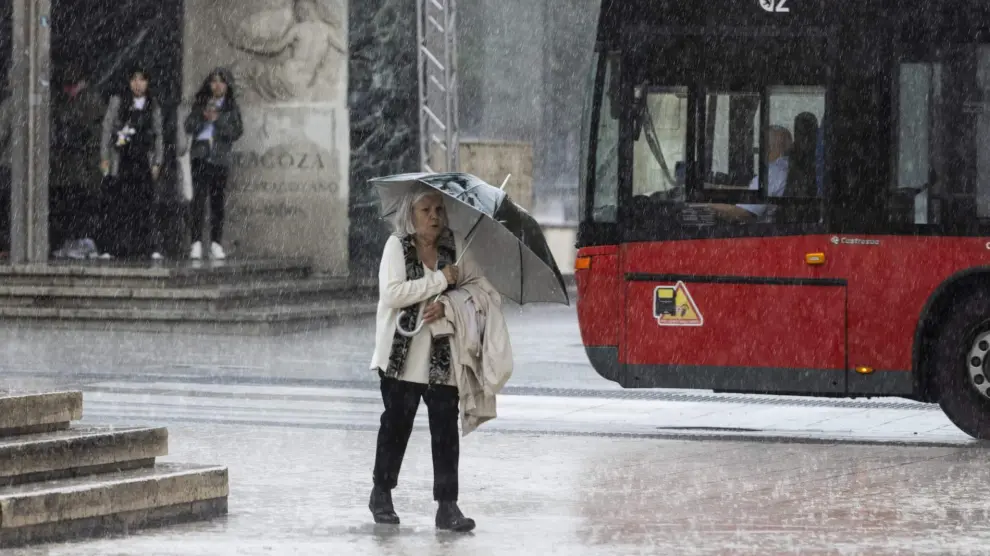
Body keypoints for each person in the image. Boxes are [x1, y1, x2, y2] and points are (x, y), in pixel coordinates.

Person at [368, 187, 481, 533]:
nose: (434, 216)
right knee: (396, 426)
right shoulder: (396, 247)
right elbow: (392, 293)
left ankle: (447, 506)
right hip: (401, 357)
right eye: (425, 210)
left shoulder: (456, 248)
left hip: (442, 357)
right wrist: (438, 281)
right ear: (410, 215)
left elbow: (473, 291)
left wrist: (447, 304)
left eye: (438, 210)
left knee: (445, 430)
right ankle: (381, 492)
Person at [99, 66, 164, 260]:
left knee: (144, 205)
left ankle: (146, 246)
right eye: (134, 79)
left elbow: (158, 134)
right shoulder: (118, 102)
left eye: (142, 79)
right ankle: (114, 246)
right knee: (119, 205)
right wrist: (105, 158)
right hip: (122, 159)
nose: (138, 84)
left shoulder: (153, 104)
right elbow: (107, 130)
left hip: (143, 159)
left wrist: (157, 162)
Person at [184, 67, 243, 260]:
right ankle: (196, 242)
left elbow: (236, 132)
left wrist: (218, 121)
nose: (217, 86)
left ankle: (216, 242)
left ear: (227, 86)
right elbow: (188, 125)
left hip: (219, 159)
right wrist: (203, 117)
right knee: (198, 201)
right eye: (214, 81)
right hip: (200, 156)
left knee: (217, 202)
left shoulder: (231, 107)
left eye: (221, 82)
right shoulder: (200, 104)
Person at [711, 125, 792, 222]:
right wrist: (720, 188)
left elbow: (743, 213)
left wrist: (707, 207)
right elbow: (757, 191)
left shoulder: (770, 175)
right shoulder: (786, 168)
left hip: (761, 231)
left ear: (770, 147)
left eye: (762, 144)